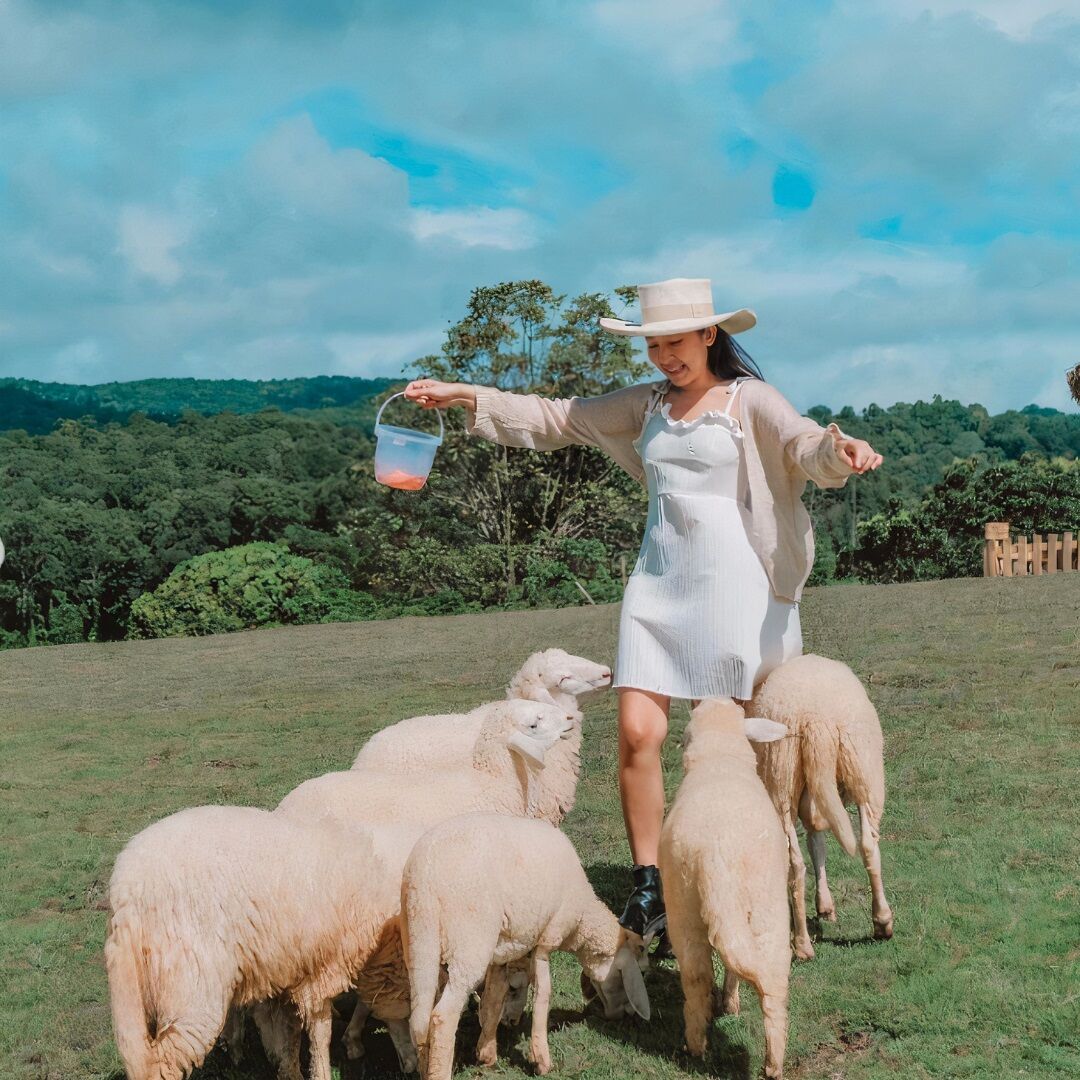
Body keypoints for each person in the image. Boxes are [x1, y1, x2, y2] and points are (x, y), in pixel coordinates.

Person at [403, 277, 883, 945]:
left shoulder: (750, 400)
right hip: (658, 585)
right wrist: (467, 396)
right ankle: (651, 886)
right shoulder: (647, 403)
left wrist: (841, 451)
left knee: (735, 747)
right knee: (637, 734)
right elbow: (559, 416)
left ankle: (753, 869)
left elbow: (802, 443)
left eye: (675, 343)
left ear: (711, 335)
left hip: (736, 590)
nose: (664, 357)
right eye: (654, 345)